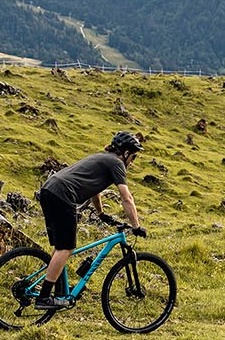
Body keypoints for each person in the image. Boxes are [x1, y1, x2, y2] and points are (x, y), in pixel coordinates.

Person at [34, 131, 146, 309]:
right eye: (133, 156)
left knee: (60, 248)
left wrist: (101, 213)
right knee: (66, 248)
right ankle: (44, 297)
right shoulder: (117, 163)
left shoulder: (102, 158)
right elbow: (126, 198)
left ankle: (60, 290)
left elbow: (95, 189)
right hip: (63, 195)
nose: (132, 161)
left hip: (49, 189)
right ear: (125, 153)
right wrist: (136, 226)